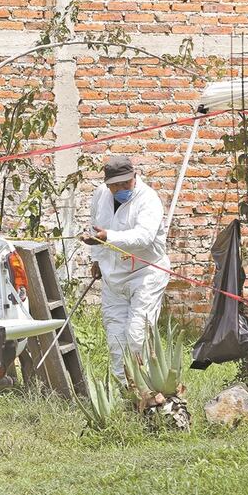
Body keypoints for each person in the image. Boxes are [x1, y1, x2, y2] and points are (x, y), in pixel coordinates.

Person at [81, 156, 170, 382]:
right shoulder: (101, 194)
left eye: (126, 183)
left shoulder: (148, 200)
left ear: (135, 177)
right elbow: (96, 224)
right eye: (115, 185)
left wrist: (107, 237)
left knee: (137, 335)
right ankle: (125, 393)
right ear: (107, 184)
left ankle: (146, 388)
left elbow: (144, 237)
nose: (121, 189)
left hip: (146, 274)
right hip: (114, 277)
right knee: (116, 338)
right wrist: (96, 259)